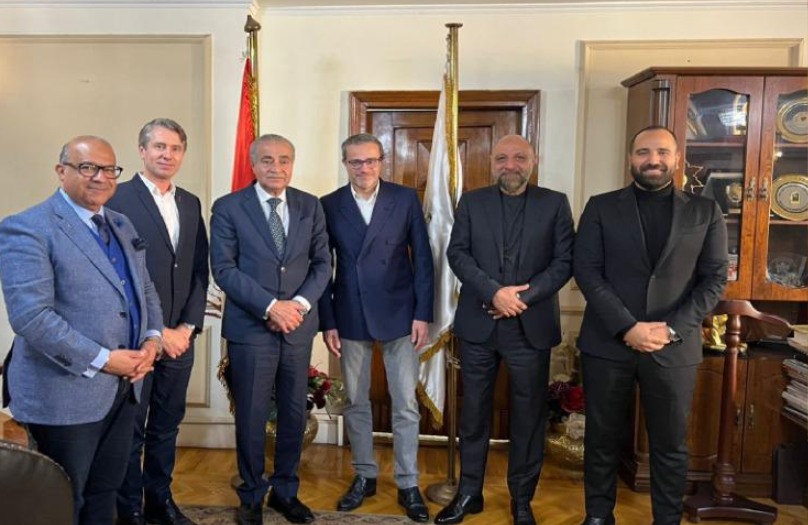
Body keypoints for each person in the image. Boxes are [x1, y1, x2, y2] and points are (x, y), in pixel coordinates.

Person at [0, 136, 164, 525]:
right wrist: (105, 360)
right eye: (88, 167)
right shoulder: (27, 228)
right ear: (62, 171)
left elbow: (145, 290)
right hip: (64, 394)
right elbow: (32, 317)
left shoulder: (120, 223)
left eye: (109, 169)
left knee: (104, 493)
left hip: (124, 389)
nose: (101, 177)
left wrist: (153, 340)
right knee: (62, 501)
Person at [574, 125, 728, 525]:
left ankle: (666, 519)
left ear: (677, 158)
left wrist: (670, 329)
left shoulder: (705, 211)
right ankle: (597, 516)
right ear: (631, 158)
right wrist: (628, 327)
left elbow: (714, 279)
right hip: (608, 343)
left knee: (670, 444)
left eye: (662, 152)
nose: (653, 160)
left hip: (673, 346)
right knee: (601, 439)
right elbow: (586, 271)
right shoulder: (601, 207)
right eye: (643, 152)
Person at [438, 135, 574, 525]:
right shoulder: (472, 202)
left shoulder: (555, 203)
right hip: (479, 323)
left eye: (519, 158)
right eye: (501, 158)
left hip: (529, 328)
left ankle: (521, 500)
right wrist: (494, 293)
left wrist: (521, 298)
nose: (510, 165)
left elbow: (565, 262)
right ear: (491, 162)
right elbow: (457, 253)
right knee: (473, 414)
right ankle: (469, 494)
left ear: (534, 160)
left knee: (528, 418)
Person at [210, 134, 330, 525]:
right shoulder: (228, 207)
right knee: (251, 414)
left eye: (283, 160)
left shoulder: (310, 205)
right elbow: (224, 269)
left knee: (294, 412)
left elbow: (322, 264)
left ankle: (285, 492)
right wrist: (269, 307)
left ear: (292, 164)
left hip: (297, 326)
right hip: (251, 327)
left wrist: (298, 306)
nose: (276, 167)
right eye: (267, 160)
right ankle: (251, 495)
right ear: (253, 164)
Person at [318, 133, 434, 522]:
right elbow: (323, 267)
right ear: (345, 164)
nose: (364, 168)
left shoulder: (404, 199)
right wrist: (328, 320)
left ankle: (408, 482)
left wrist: (423, 313)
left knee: (405, 403)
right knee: (356, 400)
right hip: (350, 312)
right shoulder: (329, 204)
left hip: (401, 313)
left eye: (371, 160)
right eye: (355, 162)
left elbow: (423, 258)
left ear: (382, 161)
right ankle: (365, 475)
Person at [108, 118, 209, 525]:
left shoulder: (191, 203)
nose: (168, 155)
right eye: (159, 147)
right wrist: (158, 330)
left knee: (167, 426)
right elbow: (114, 273)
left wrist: (187, 327)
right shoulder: (117, 198)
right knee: (131, 428)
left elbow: (199, 270)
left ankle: (159, 502)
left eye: (175, 148)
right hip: (137, 338)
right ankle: (129, 507)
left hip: (181, 340)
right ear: (142, 151)